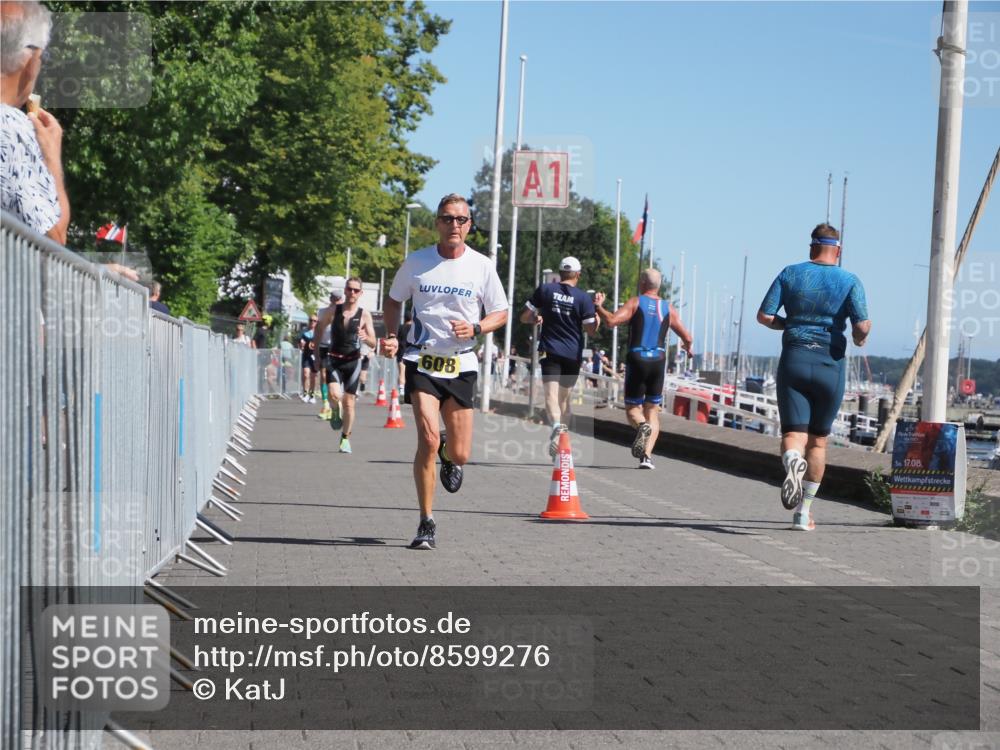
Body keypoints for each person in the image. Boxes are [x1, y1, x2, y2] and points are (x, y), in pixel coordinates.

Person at [381, 193, 508, 550]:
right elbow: (393, 301)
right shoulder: (417, 262)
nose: (454, 225)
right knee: (427, 438)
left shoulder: (481, 266)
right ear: (437, 222)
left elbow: (501, 312)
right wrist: (392, 336)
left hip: (462, 362)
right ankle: (426, 522)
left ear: (469, 226)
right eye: (447, 218)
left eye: (461, 220)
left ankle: (450, 456)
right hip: (422, 360)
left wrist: (478, 329)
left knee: (461, 453)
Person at [1, 1, 138, 280]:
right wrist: (52, 156)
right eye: (44, 58)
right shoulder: (9, 126)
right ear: (30, 60)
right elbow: (53, 239)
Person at [757, 223, 870, 531]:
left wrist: (791, 325)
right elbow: (861, 326)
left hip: (794, 357)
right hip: (829, 365)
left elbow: (764, 316)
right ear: (839, 249)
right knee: (818, 442)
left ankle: (792, 460)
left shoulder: (790, 273)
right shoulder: (850, 281)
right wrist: (860, 337)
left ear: (811, 247)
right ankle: (803, 514)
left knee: (793, 435)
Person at [595, 268, 693, 470]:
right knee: (652, 410)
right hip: (658, 359)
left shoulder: (636, 302)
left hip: (637, 358)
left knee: (633, 409)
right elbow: (688, 337)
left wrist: (598, 307)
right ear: (659, 286)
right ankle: (646, 457)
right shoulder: (668, 308)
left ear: (642, 283)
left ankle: (642, 427)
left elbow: (612, 320)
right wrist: (687, 347)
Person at [519, 256, 599, 457]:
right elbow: (591, 329)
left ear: (560, 273)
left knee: (550, 397)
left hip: (550, 350)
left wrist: (535, 318)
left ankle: (556, 427)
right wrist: (596, 314)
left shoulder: (546, 290)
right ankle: (562, 439)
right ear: (578, 275)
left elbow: (524, 316)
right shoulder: (583, 298)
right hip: (572, 354)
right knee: (565, 401)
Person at [314, 276, 376, 454]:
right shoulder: (334, 310)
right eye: (349, 289)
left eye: (356, 290)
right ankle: (334, 409)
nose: (352, 293)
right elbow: (319, 328)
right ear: (345, 290)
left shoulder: (364, 314)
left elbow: (373, 343)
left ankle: (345, 438)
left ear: (361, 293)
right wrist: (317, 353)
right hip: (333, 359)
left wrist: (366, 338)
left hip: (353, 361)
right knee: (334, 395)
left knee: (349, 403)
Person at [315, 290, 342, 420]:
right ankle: (326, 403)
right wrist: (315, 345)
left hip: (337, 347)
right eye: (334, 298)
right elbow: (318, 330)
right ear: (330, 299)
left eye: (338, 299)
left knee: (335, 377)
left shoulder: (343, 313)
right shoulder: (322, 312)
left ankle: (336, 405)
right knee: (324, 375)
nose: (335, 301)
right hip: (324, 346)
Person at [299, 315, 318, 403]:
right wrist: (301, 344)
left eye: (315, 321)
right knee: (306, 374)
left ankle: (312, 394)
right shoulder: (304, 331)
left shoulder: (319, 332)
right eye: (311, 320)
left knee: (313, 376)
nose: (312, 322)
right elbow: (300, 341)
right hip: (306, 355)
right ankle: (305, 393)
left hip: (315, 356)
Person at [397, 310, 413, 395]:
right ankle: (409, 390)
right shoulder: (414, 328)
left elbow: (397, 339)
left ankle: (401, 390)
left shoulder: (400, 327)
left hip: (401, 352)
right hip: (412, 353)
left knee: (401, 372)